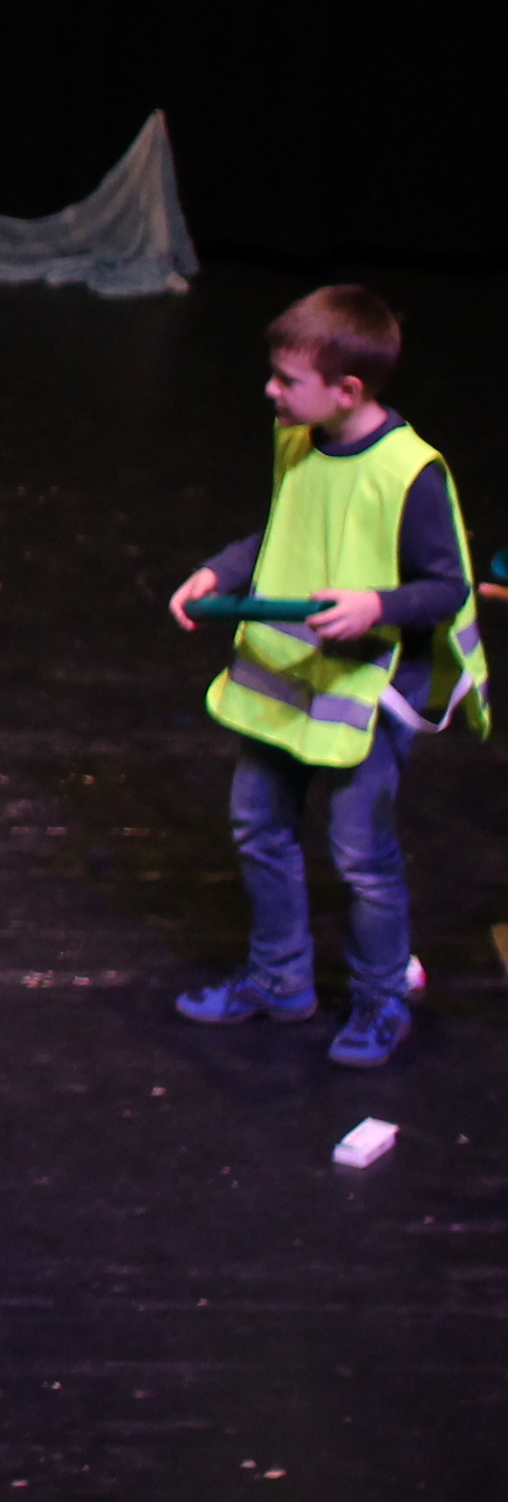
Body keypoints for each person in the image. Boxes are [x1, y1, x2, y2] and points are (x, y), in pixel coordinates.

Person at [166, 286, 483, 1071]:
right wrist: (221, 570)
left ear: (348, 389)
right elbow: (285, 527)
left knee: (361, 857)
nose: (271, 391)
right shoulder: (299, 439)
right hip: (286, 686)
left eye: (287, 379)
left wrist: (378, 604)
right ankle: (279, 980)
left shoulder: (409, 472)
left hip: (364, 698)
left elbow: (448, 587)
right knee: (258, 826)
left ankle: (382, 998)